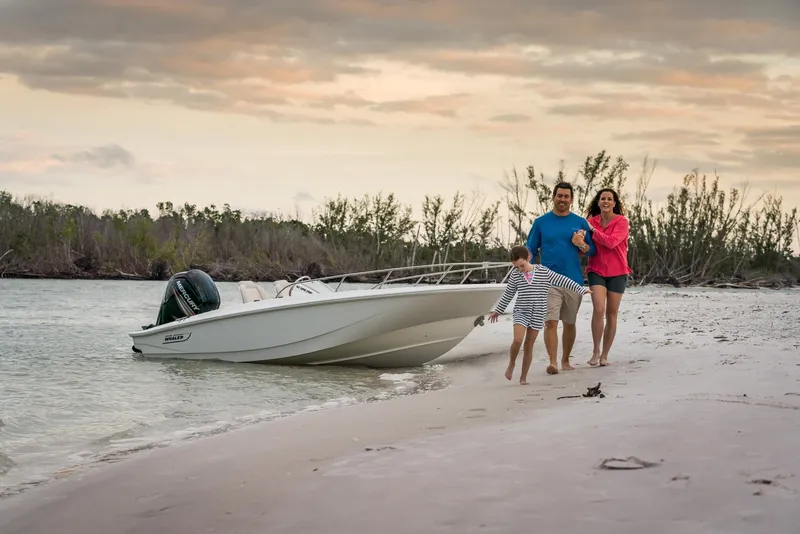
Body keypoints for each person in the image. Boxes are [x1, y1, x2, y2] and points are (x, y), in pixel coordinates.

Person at [488, 245, 590, 383]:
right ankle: (512, 363)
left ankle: (523, 377)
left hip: (538, 313)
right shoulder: (515, 275)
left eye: (522, 265)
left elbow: (562, 280)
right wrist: (498, 310)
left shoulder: (543, 271)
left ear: (528, 258)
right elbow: (508, 294)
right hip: (521, 312)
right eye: (517, 267)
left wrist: (581, 289)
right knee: (517, 340)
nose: (521, 269)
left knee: (529, 344)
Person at [526, 182, 596, 374]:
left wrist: (581, 244)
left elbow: (592, 250)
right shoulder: (541, 222)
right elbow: (530, 249)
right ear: (553, 197)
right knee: (550, 321)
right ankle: (553, 362)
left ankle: (565, 360)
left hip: (573, 280)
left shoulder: (580, 222)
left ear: (571, 199)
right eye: (559, 196)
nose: (562, 199)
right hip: (548, 280)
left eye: (566, 196)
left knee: (569, 322)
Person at [583, 188, 632, 367]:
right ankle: (595, 351)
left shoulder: (622, 222)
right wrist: (581, 242)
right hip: (596, 270)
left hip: (618, 271)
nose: (606, 201)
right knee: (598, 309)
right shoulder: (590, 222)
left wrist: (592, 231)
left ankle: (604, 355)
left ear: (614, 203)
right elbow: (584, 245)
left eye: (609, 199)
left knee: (611, 313)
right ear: (598, 202)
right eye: (603, 198)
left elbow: (611, 242)